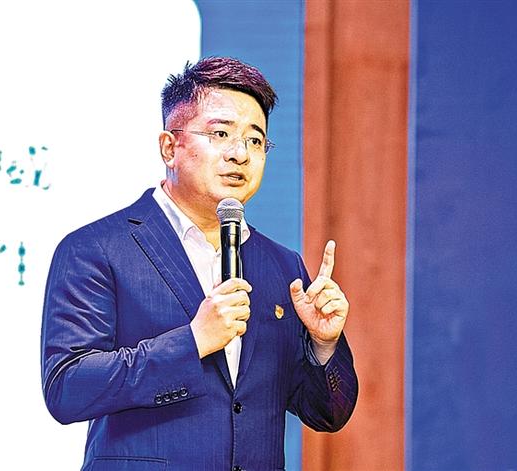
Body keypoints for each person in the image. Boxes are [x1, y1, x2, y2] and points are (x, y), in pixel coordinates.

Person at [41, 57, 358, 471]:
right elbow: (67, 387)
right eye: (220, 133)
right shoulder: (96, 248)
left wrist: (323, 344)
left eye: (255, 140)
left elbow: (327, 413)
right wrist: (192, 342)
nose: (240, 154)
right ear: (169, 147)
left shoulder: (282, 267)